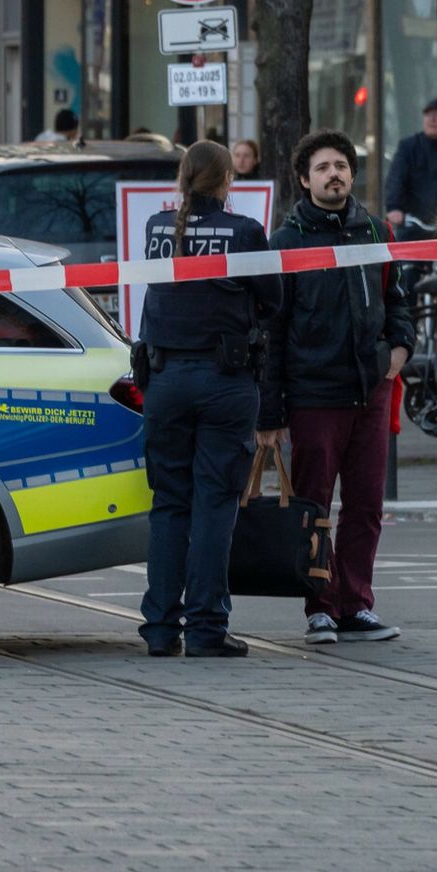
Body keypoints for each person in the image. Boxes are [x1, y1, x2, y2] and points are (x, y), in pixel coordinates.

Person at [258, 129, 414, 645]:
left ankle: (355, 604)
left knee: (367, 505)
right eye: (323, 167)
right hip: (314, 394)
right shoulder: (287, 242)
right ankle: (320, 608)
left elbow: (400, 302)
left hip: (369, 390)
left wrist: (399, 350)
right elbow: (272, 332)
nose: (335, 175)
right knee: (314, 507)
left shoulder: (373, 232)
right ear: (305, 179)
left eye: (342, 166)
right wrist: (271, 410)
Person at [137, 140, 282, 658]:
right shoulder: (244, 233)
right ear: (226, 182)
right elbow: (273, 299)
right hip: (225, 383)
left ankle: (159, 628)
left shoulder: (157, 228)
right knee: (215, 506)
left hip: (165, 379)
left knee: (169, 504)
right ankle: (205, 628)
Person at [385, 98, 437, 228]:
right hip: (413, 223)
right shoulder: (409, 146)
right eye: (428, 115)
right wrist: (394, 207)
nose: (432, 119)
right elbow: (396, 178)